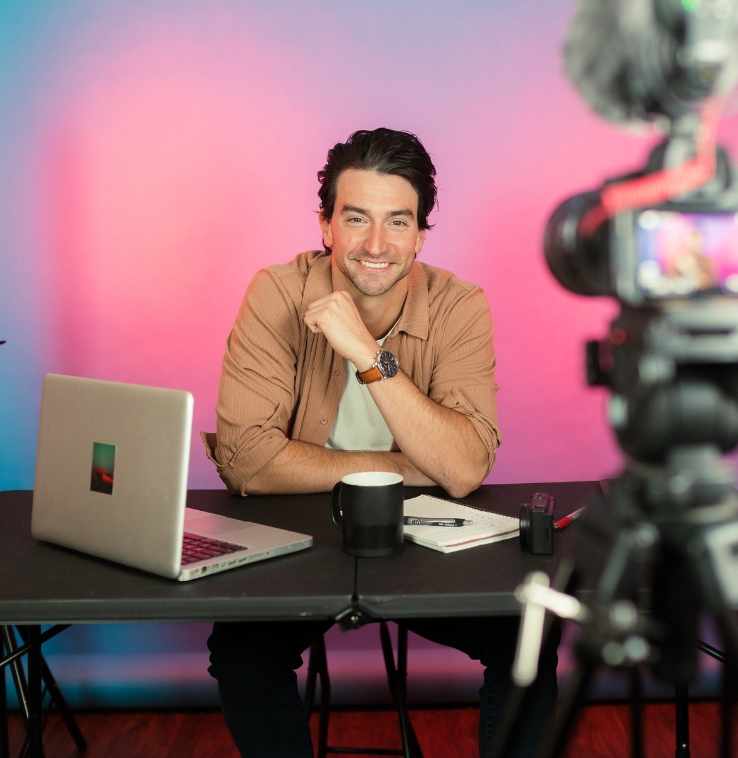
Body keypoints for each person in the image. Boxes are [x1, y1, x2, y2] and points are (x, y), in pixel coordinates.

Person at [205, 128, 557, 757]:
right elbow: (249, 462)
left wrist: (368, 355)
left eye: (398, 222)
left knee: (529, 634)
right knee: (241, 655)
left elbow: (467, 466)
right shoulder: (277, 294)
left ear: (421, 234)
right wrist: (407, 466)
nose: (375, 245)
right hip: (298, 537)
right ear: (326, 225)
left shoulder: (459, 307)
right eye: (356, 218)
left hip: (423, 540)